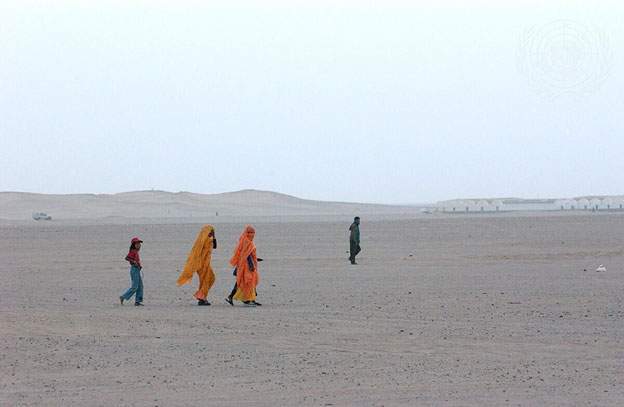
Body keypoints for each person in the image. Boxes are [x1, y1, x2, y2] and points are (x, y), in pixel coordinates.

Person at [177, 225, 217, 306]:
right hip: (201, 265)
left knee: (211, 278)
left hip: (206, 264)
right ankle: (202, 299)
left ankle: (201, 296)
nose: (212, 233)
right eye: (211, 232)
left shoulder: (207, 241)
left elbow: (215, 246)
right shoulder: (203, 241)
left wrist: (214, 236)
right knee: (205, 281)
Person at [226, 226, 261, 306]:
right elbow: (246, 255)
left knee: (249, 281)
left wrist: (256, 259)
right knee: (246, 281)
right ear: (246, 233)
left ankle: (251, 299)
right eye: (250, 232)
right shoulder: (247, 241)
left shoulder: (248, 241)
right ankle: (247, 299)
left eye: (253, 232)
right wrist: (252, 265)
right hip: (245, 266)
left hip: (246, 265)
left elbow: (249, 254)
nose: (252, 234)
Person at [120, 237, 144, 306]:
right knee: (135, 286)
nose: (138, 245)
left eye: (139, 244)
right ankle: (123, 297)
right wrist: (134, 262)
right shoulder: (133, 251)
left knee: (140, 286)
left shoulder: (136, 252)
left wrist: (139, 266)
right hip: (134, 269)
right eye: (137, 244)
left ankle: (138, 301)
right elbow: (127, 258)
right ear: (133, 245)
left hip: (137, 269)